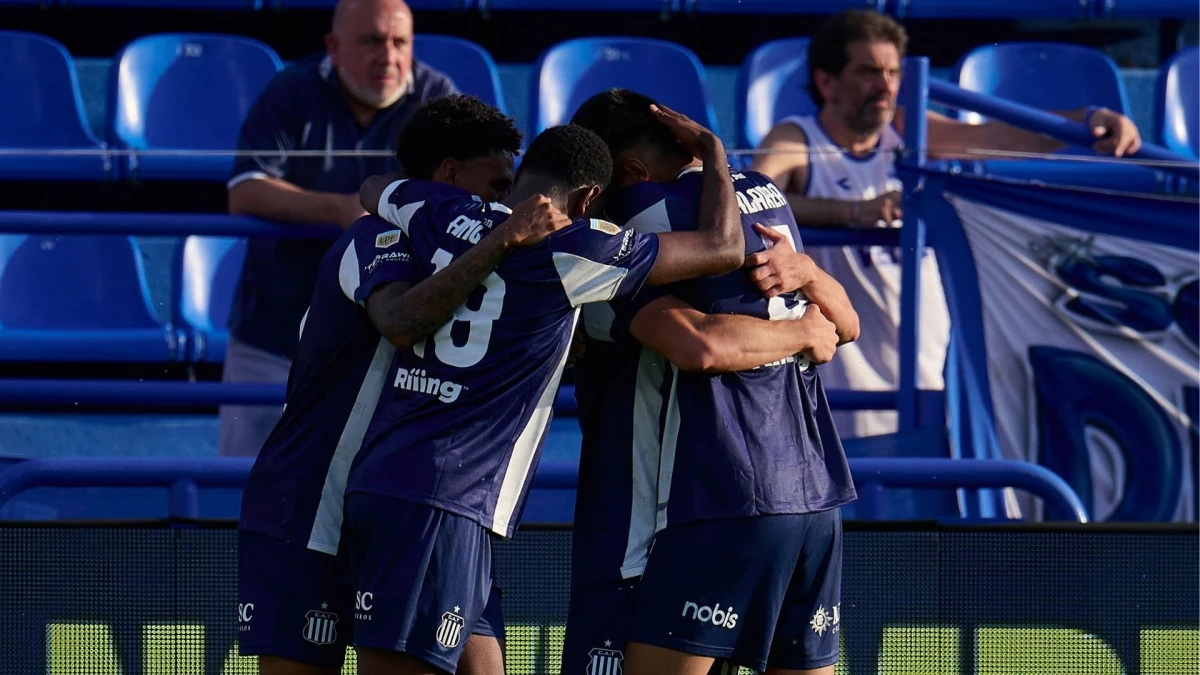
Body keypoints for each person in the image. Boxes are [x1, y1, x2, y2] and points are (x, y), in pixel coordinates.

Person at [345, 112, 749, 675]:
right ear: (587, 199)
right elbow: (724, 248)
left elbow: (372, 188)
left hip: (403, 481)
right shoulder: (572, 246)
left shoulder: (437, 207)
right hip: (443, 495)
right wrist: (715, 152)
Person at [236, 94, 555, 675]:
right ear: (450, 174)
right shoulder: (377, 237)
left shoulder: (480, 258)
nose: (502, 203)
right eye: (495, 185)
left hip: (411, 505)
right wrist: (505, 239)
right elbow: (401, 322)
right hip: (312, 501)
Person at [561, 87, 858, 675]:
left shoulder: (635, 228)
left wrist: (805, 321)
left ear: (630, 172)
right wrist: (808, 302)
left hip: (707, 499)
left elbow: (703, 345)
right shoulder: (765, 197)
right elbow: (844, 326)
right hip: (814, 498)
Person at [750, 8, 1144, 438]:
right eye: (868, 72)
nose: (885, 85)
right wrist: (853, 213)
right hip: (843, 378)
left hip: (929, 373)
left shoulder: (908, 130)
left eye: (893, 72)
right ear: (827, 82)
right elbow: (753, 198)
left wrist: (1087, 121)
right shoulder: (798, 137)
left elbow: (995, 138)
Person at [220, 0, 460, 459]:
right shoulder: (290, 90)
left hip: (388, 340)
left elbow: (472, 196)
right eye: (371, 41)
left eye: (400, 42)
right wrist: (339, 210)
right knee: (248, 480)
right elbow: (245, 191)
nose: (388, 57)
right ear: (333, 46)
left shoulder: (438, 96)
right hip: (275, 335)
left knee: (368, 486)